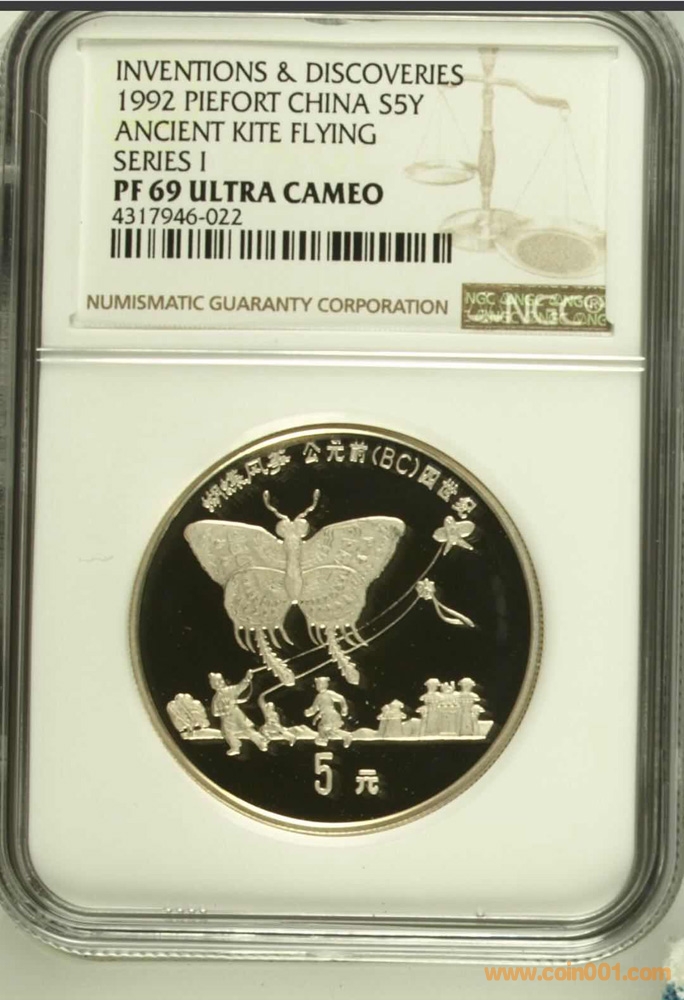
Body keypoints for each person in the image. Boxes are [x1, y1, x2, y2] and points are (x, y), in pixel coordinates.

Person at [209, 671, 268, 756]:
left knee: (247, 730)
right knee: (227, 733)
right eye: (214, 682)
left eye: (219, 681)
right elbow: (215, 713)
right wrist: (223, 711)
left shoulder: (231, 690)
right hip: (227, 719)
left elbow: (240, 687)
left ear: (223, 681)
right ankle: (235, 747)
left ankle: (260, 742)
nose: (217, 684)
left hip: (237, 715)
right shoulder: (216, 698)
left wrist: (247, 679)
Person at [304, 677, 351, 746]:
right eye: (317, 684)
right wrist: (309, 712)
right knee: (327, 730)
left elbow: (341, 698)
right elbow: (314, 708)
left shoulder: (328, 693)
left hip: (331, 714)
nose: (318, 686)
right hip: (325, 716)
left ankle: (346, 736)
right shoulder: (318, 696)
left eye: (320, 684)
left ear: (325, 685)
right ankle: (328, 739)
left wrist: (344, 708)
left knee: (323, 727)